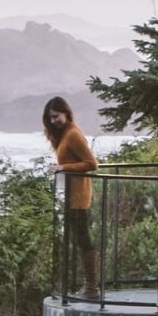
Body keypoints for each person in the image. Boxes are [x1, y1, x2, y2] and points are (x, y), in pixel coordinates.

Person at [43, 96, 100, 300]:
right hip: (70, 195)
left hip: (78, 196)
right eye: (50, 118)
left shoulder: (74, 134)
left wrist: (62, 167)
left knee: (83, 238)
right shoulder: (65, 133)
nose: (53, 121)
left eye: (56, 116)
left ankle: (91, 286)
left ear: (66, 113)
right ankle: (87, 285)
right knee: (78, 238)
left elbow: (92, 164)